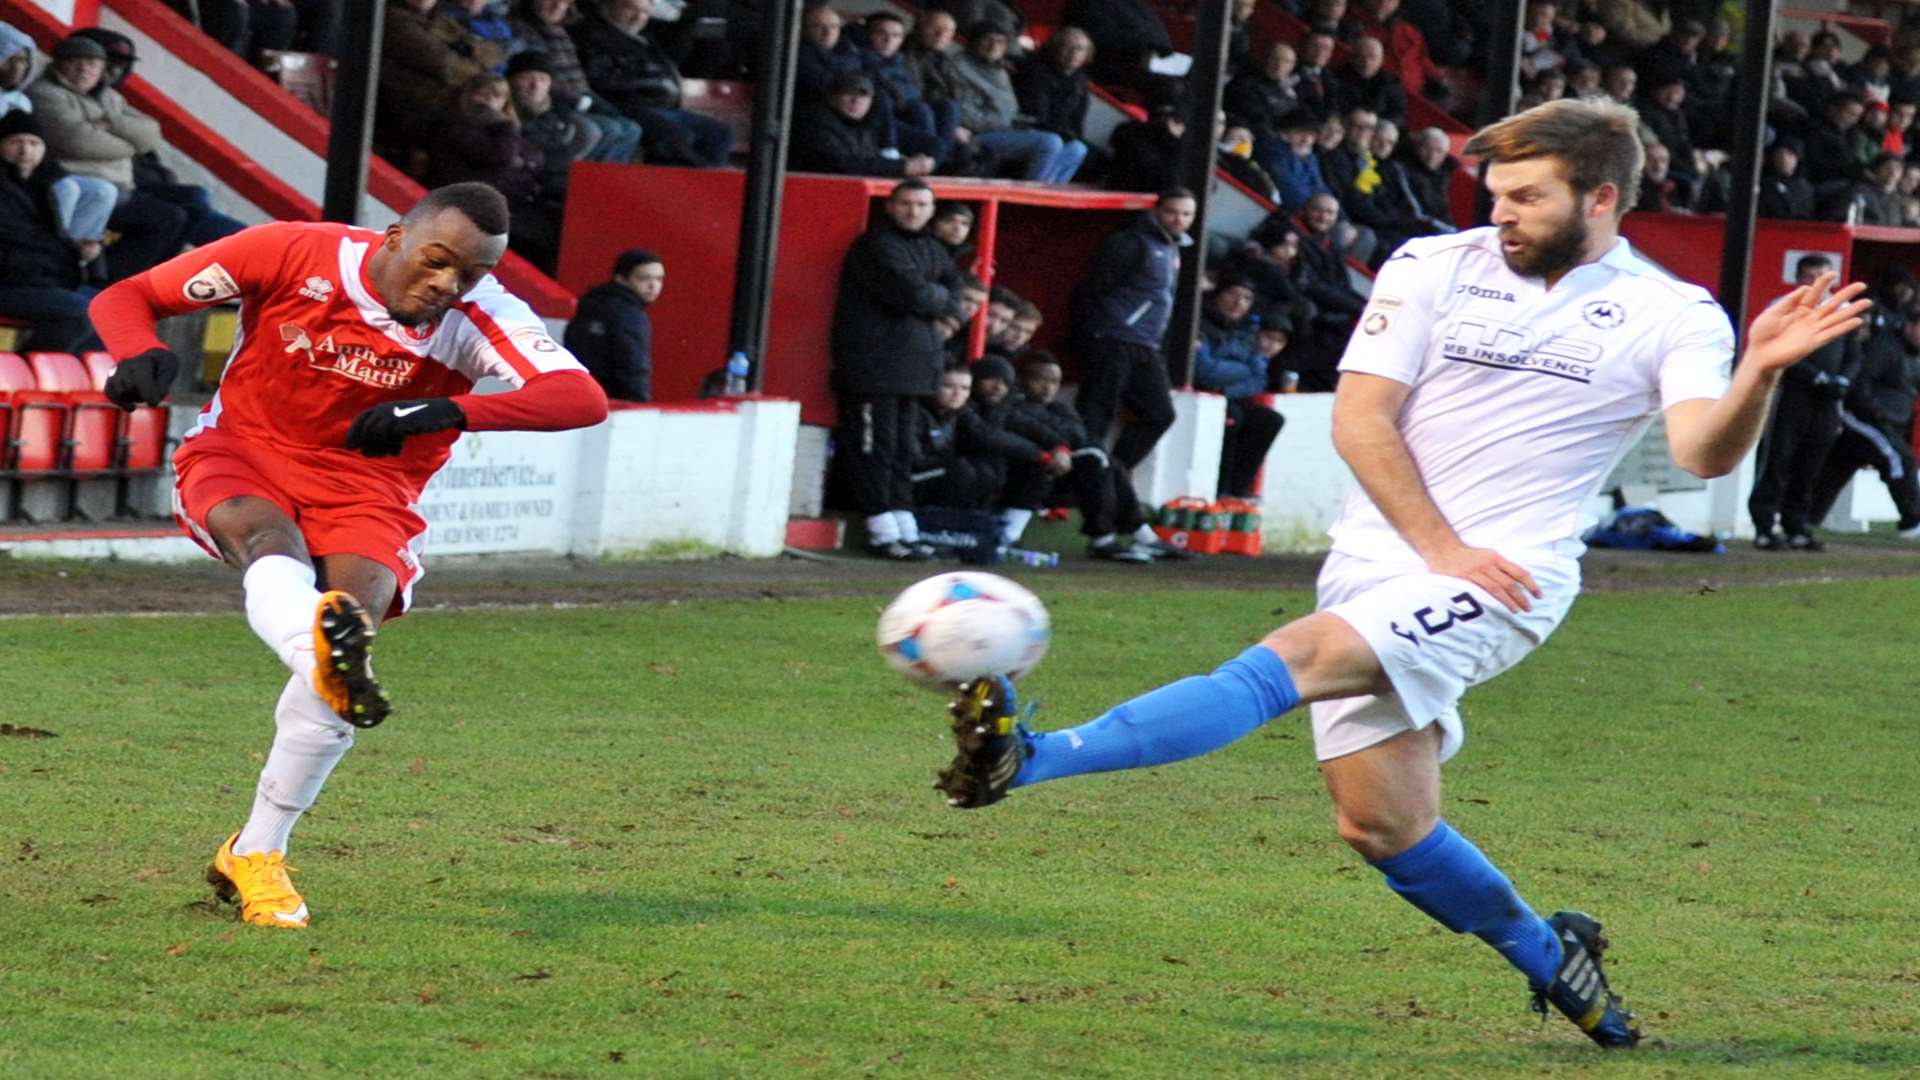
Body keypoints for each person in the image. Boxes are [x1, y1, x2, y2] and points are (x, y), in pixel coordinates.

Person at [929, 98, 1870, 1048]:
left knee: (1283, 665)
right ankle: (1555, 958)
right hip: (1385, 563)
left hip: (1506, 576)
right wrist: (1434, 548)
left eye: (1527, 197)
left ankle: (1033, 757)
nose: (1500, 213)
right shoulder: (1431, 266)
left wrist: (1758, 375)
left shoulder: (1672, 313)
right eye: (1495, 193)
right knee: (1382, 827)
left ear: (1601, 198)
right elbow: (1360, 421)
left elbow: (1705, 452)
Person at [85, 183, 610, 929]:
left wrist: (450, 407)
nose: (447, 285)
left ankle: (257, 850)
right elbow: (129, 295)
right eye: (436, 262)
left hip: (368, 490)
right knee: (272, 548)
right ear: (395, 235)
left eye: (469, 274)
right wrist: (138, 353)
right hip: (243, 454)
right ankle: (321, 663)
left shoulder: (479, 315)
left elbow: (579, 398)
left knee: (352, 617)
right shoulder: (290, 252)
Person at [830, 178, 965, 560]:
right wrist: (937, 300)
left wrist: (937, 300)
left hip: (916, 368)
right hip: (871, 367)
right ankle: (879, 528)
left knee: (904, 448)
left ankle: (904, 523)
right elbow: (912, 293)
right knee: (875, 448)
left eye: (922, 205)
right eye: (906, 203)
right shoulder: (874, 245)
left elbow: (954, 290)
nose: (913, 211)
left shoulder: (933, 248)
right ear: (890, 206)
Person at [1068, 187, 1196, 561]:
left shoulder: (1171, 248)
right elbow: (1091, 289)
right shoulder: (1131, 243)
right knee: (1094, 430)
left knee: (1159, 414)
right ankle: (1102, 531)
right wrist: (1089, 336)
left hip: (1143, 345)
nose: (1179, 220)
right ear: (1158, 211)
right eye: (1173, 212)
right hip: (1112, 340)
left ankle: (1116, 479)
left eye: (1186, 215)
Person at [1748, 255, 1858, 551]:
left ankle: (1796, 525)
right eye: (1810, 277)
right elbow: (1779, 352)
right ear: (1799, 279)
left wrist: (1844, 380)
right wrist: (1817, 377)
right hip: (1792, 395)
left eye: (1822, 277)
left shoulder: (1843, 310)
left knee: (1810, 464)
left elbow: (1855, 352)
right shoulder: (1783, 308)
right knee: (1778, 459)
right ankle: (1763, 525)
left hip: (1827, 399)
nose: (1816, 283)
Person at [1810, 312, 1920, 540]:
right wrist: (1874, 412)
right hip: (1863, 418)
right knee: (1899, 459)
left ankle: (1805, 518)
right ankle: (1913, 520)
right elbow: (1861, 383)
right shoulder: (1885, 347)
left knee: (1835, 470)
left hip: (1889, 422)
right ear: (1911, 325)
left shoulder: (1912, 356)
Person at [0, 110, 103, 352]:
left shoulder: (42, 186)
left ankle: (78, 386)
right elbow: (17, 246)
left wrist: (84, 255)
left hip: (35, 281)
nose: (26, 151)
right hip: (10, 283)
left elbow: (50, 242)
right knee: (80, 311)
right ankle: (23, 376)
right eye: (16, 142)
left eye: (33, 143)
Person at [1191, 277, 1284, 499]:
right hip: (1199, 394)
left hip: (1225, 394)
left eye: (1246, 298)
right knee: (1233, 417)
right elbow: (1206, 371)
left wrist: (1228, 385)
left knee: (1269, 420)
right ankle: (1219, 490)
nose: (1239, 302)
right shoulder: (1198, 321)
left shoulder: (1246, 330)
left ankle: (1238, 491)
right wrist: (1247, 366)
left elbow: (1257, 381)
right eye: (1233, 294)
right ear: (1219, 294)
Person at [564, 246, 661, 402]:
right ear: (621, 279)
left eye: (658, 279)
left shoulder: (589, 305)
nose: (653, 286)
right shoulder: (629, 313)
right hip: (613, 403)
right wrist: (640, 405)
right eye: (644, 278)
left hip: (580, 397)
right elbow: (632, 365)